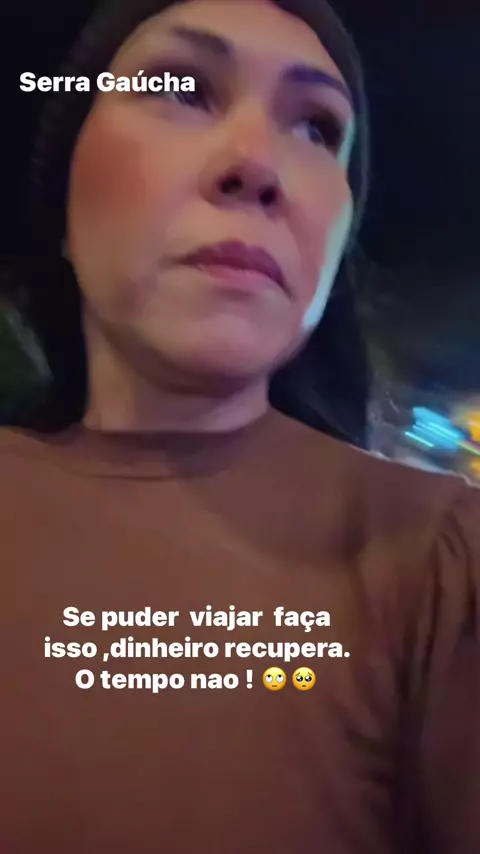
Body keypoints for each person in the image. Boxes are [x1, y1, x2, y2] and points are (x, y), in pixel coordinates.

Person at [0, 1, 478, 852]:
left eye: (317, 129)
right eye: (181, 89)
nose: (257, 165)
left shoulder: (441, 558)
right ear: (64, 205)